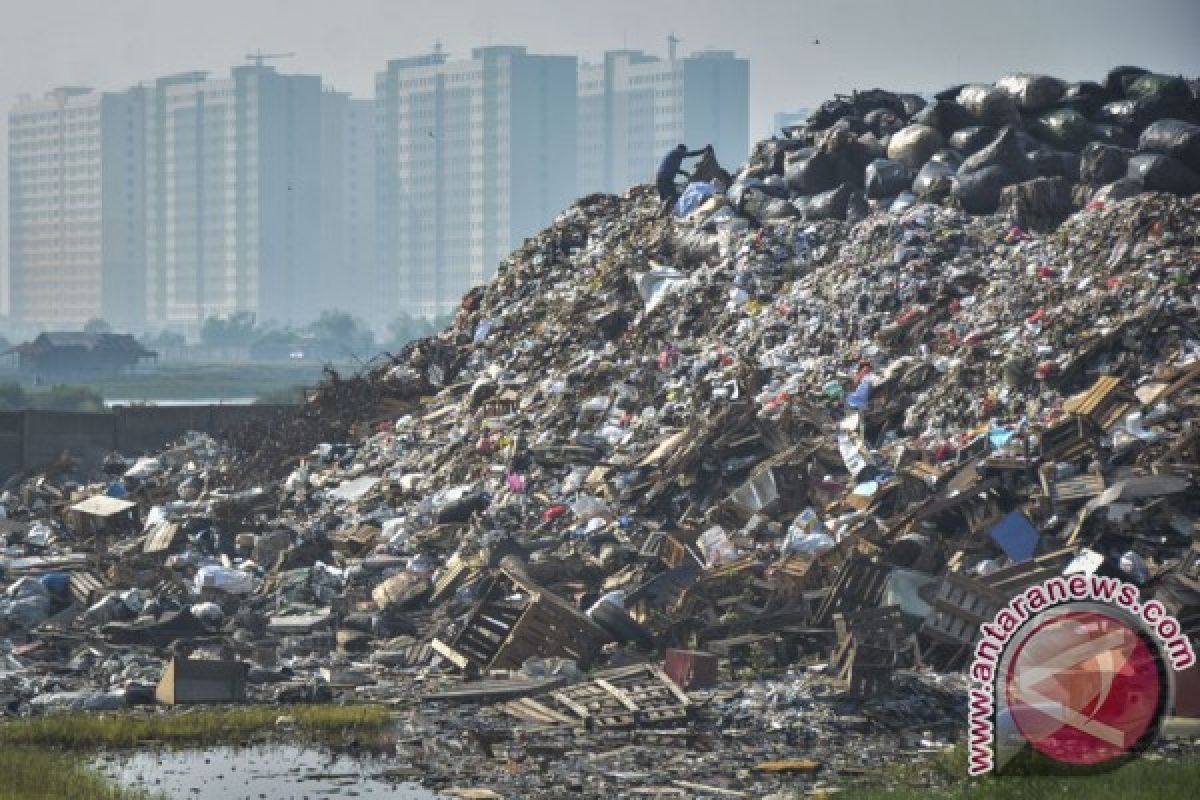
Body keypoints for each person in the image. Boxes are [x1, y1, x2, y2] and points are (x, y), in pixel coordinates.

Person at [656, 143, 707, 216]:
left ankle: (663, 216)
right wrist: (704, 150)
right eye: (684, 152)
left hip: (659, 180)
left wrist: (685, 173)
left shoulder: (672, 156)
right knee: (674, 197)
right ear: (682, 149)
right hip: (666, 180)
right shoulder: (677, 152)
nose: (684, 156)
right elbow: (690, 154)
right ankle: (673, 215)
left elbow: (673, 168)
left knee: (664, 200)